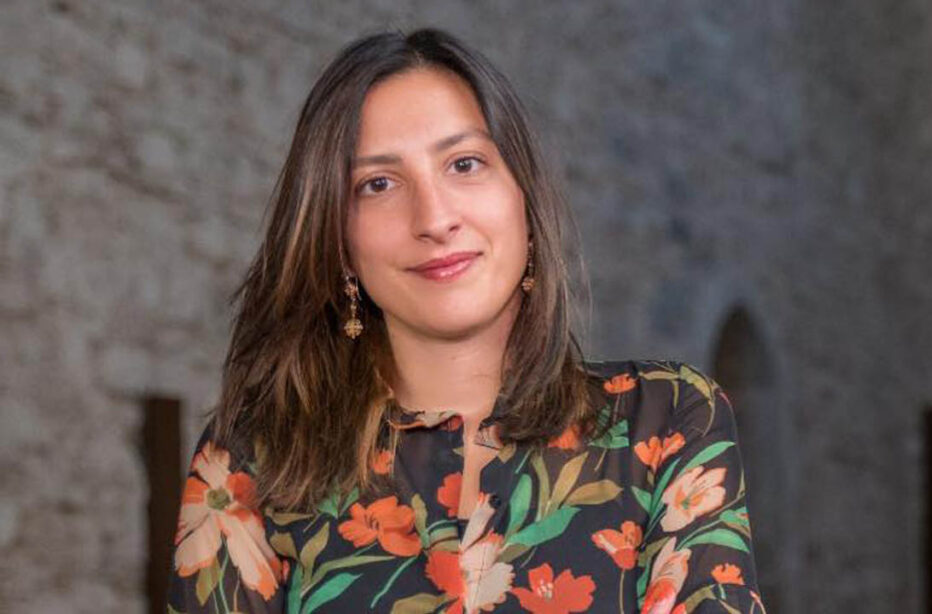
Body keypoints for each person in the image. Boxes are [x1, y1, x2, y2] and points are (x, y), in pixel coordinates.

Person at [166, 27, 765, 614]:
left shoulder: (666, 420)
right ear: (339, 241)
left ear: (524, 197)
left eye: (464, 163)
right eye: (378, 183)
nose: (434, 218)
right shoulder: (252, 458)